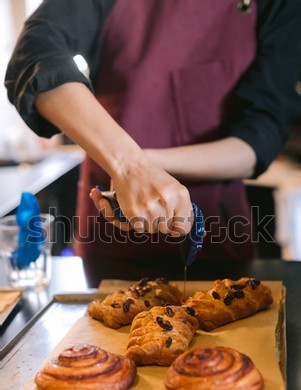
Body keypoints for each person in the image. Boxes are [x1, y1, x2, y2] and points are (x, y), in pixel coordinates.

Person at [5, 0, 301, 261]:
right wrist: (127, 165)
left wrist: (143, 166)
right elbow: (35, 58)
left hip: (217, 228)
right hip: (111, 221)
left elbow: (259, 138)